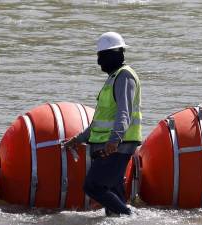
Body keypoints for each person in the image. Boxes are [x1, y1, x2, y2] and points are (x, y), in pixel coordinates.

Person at [63, 32, 142, 216]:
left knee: (93, 186)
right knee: (112, 194)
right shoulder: (113, 78)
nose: (99, 63)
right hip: (108, 144)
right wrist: (78, 139)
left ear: (115, 54)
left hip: (117, 145)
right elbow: (99, 122)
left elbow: (125, 112)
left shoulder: (124, 77)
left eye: (101, 56)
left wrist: (114, 140)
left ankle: (131, 217)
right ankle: (124, 218)